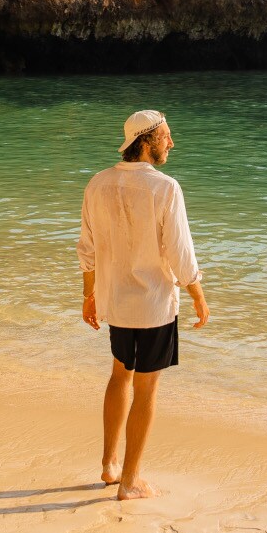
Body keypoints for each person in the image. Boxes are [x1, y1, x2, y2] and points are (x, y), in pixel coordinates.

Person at [77, 109, 209, 501]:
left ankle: (109, 465)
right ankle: (130, 481)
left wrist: (89, 294)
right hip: (152, 304)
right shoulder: (165, 187)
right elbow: (180, 251)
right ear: (147, 141)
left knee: (120, 376)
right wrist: (197, 293)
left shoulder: (98, 183)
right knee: (147, 390)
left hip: (116, 302)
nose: (172, 142)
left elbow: (88, 248)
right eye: (166, 136)